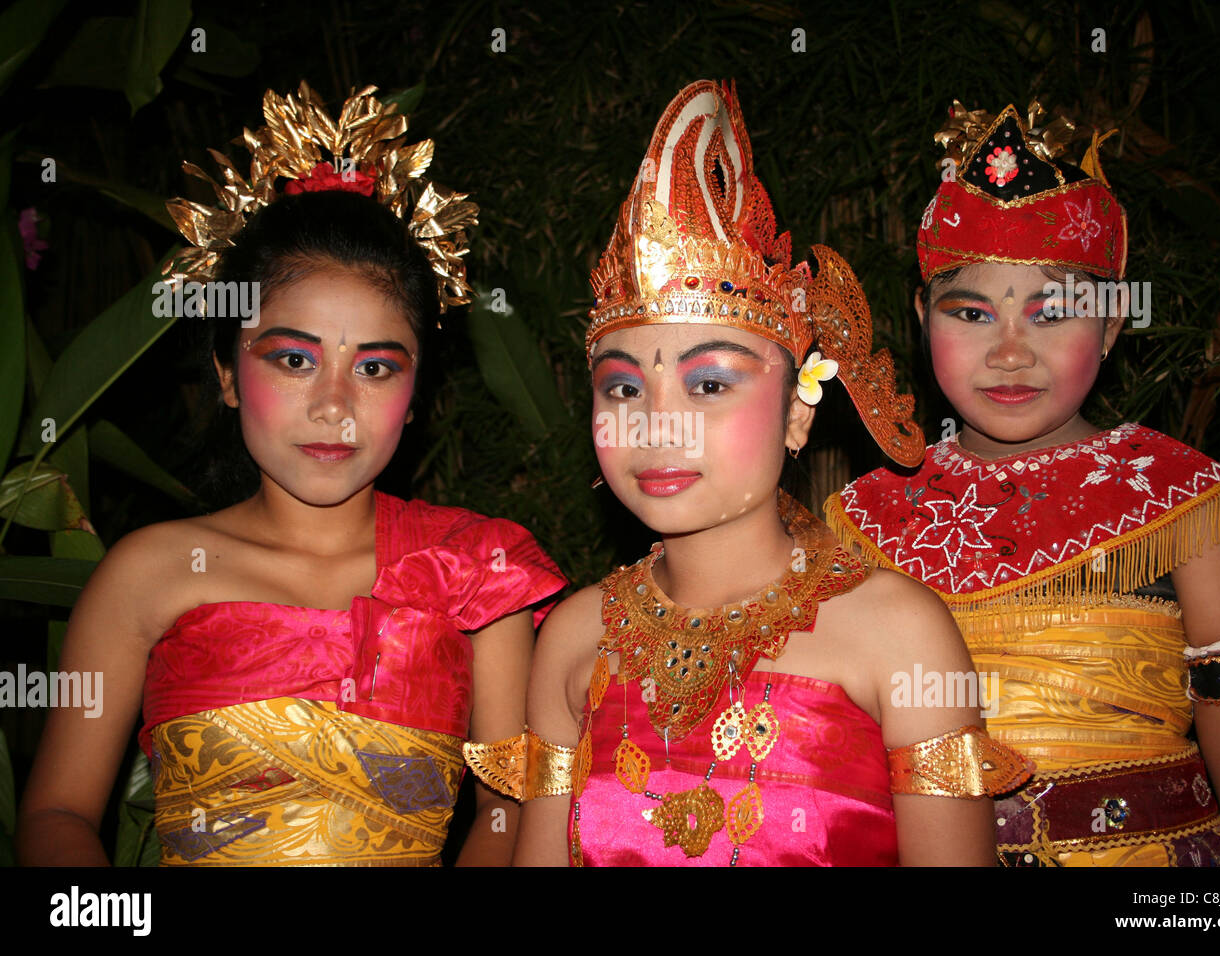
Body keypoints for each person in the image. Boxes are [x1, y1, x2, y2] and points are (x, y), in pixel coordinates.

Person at [463, 80, 1032, 867]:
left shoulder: (901, 637)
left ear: (800, 412)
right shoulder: (572, 638)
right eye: (624, 387)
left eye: (709, 384)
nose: (657, 426)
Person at [17, 82, 565, 866]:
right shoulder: (147, 573)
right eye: (294, 359)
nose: (334, 404)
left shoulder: (478, 573)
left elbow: (508, 821)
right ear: (228, 373)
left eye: (375, 368)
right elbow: (60, 816)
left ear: (414, 399)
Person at [824, 101, 1220, 865]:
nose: (1011, 354)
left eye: (1054, 316)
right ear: (921, 317)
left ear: (1112, 326)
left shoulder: (1192, 506)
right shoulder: (856, 523)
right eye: (973, 314)